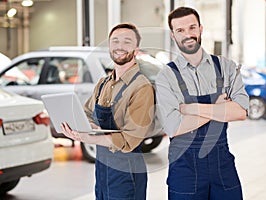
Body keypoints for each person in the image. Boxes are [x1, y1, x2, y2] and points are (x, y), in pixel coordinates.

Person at [155, 7, 249, 200]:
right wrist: (220, 108)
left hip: (222, 164)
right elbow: (174, 126)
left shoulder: (226, 67)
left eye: (192, 27)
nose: (188, 34)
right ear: (173, 35)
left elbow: (240, 112)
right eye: (180, 30)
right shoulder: (166, 75)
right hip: (184, 168)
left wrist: (190, 109)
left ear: (200, 29)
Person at [61, 23, 155, 200]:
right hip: (103, 169)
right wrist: (81, 125)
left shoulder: (141, 87)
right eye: (115, 41)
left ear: (136, 48)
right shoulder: (103, 83)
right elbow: (87, 113)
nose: (119, 46)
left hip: (127, 172)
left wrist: (88, 137)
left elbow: (129, 140)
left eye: (127, 41)